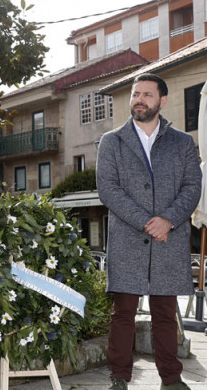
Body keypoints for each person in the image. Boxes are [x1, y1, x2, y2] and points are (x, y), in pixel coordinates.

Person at [97, 73, 200, 390]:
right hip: (128, 239)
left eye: (147, 95)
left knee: (166, 314)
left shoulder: (182, 142)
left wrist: (167, 220)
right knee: (123, 313)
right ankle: (119, 377)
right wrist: (147, 221)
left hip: (169, 240)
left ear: (162, 101)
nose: (139, 99)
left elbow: (192, 187)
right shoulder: (111, 142)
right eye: (135, 94)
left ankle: (171, 378)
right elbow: (108, 191)